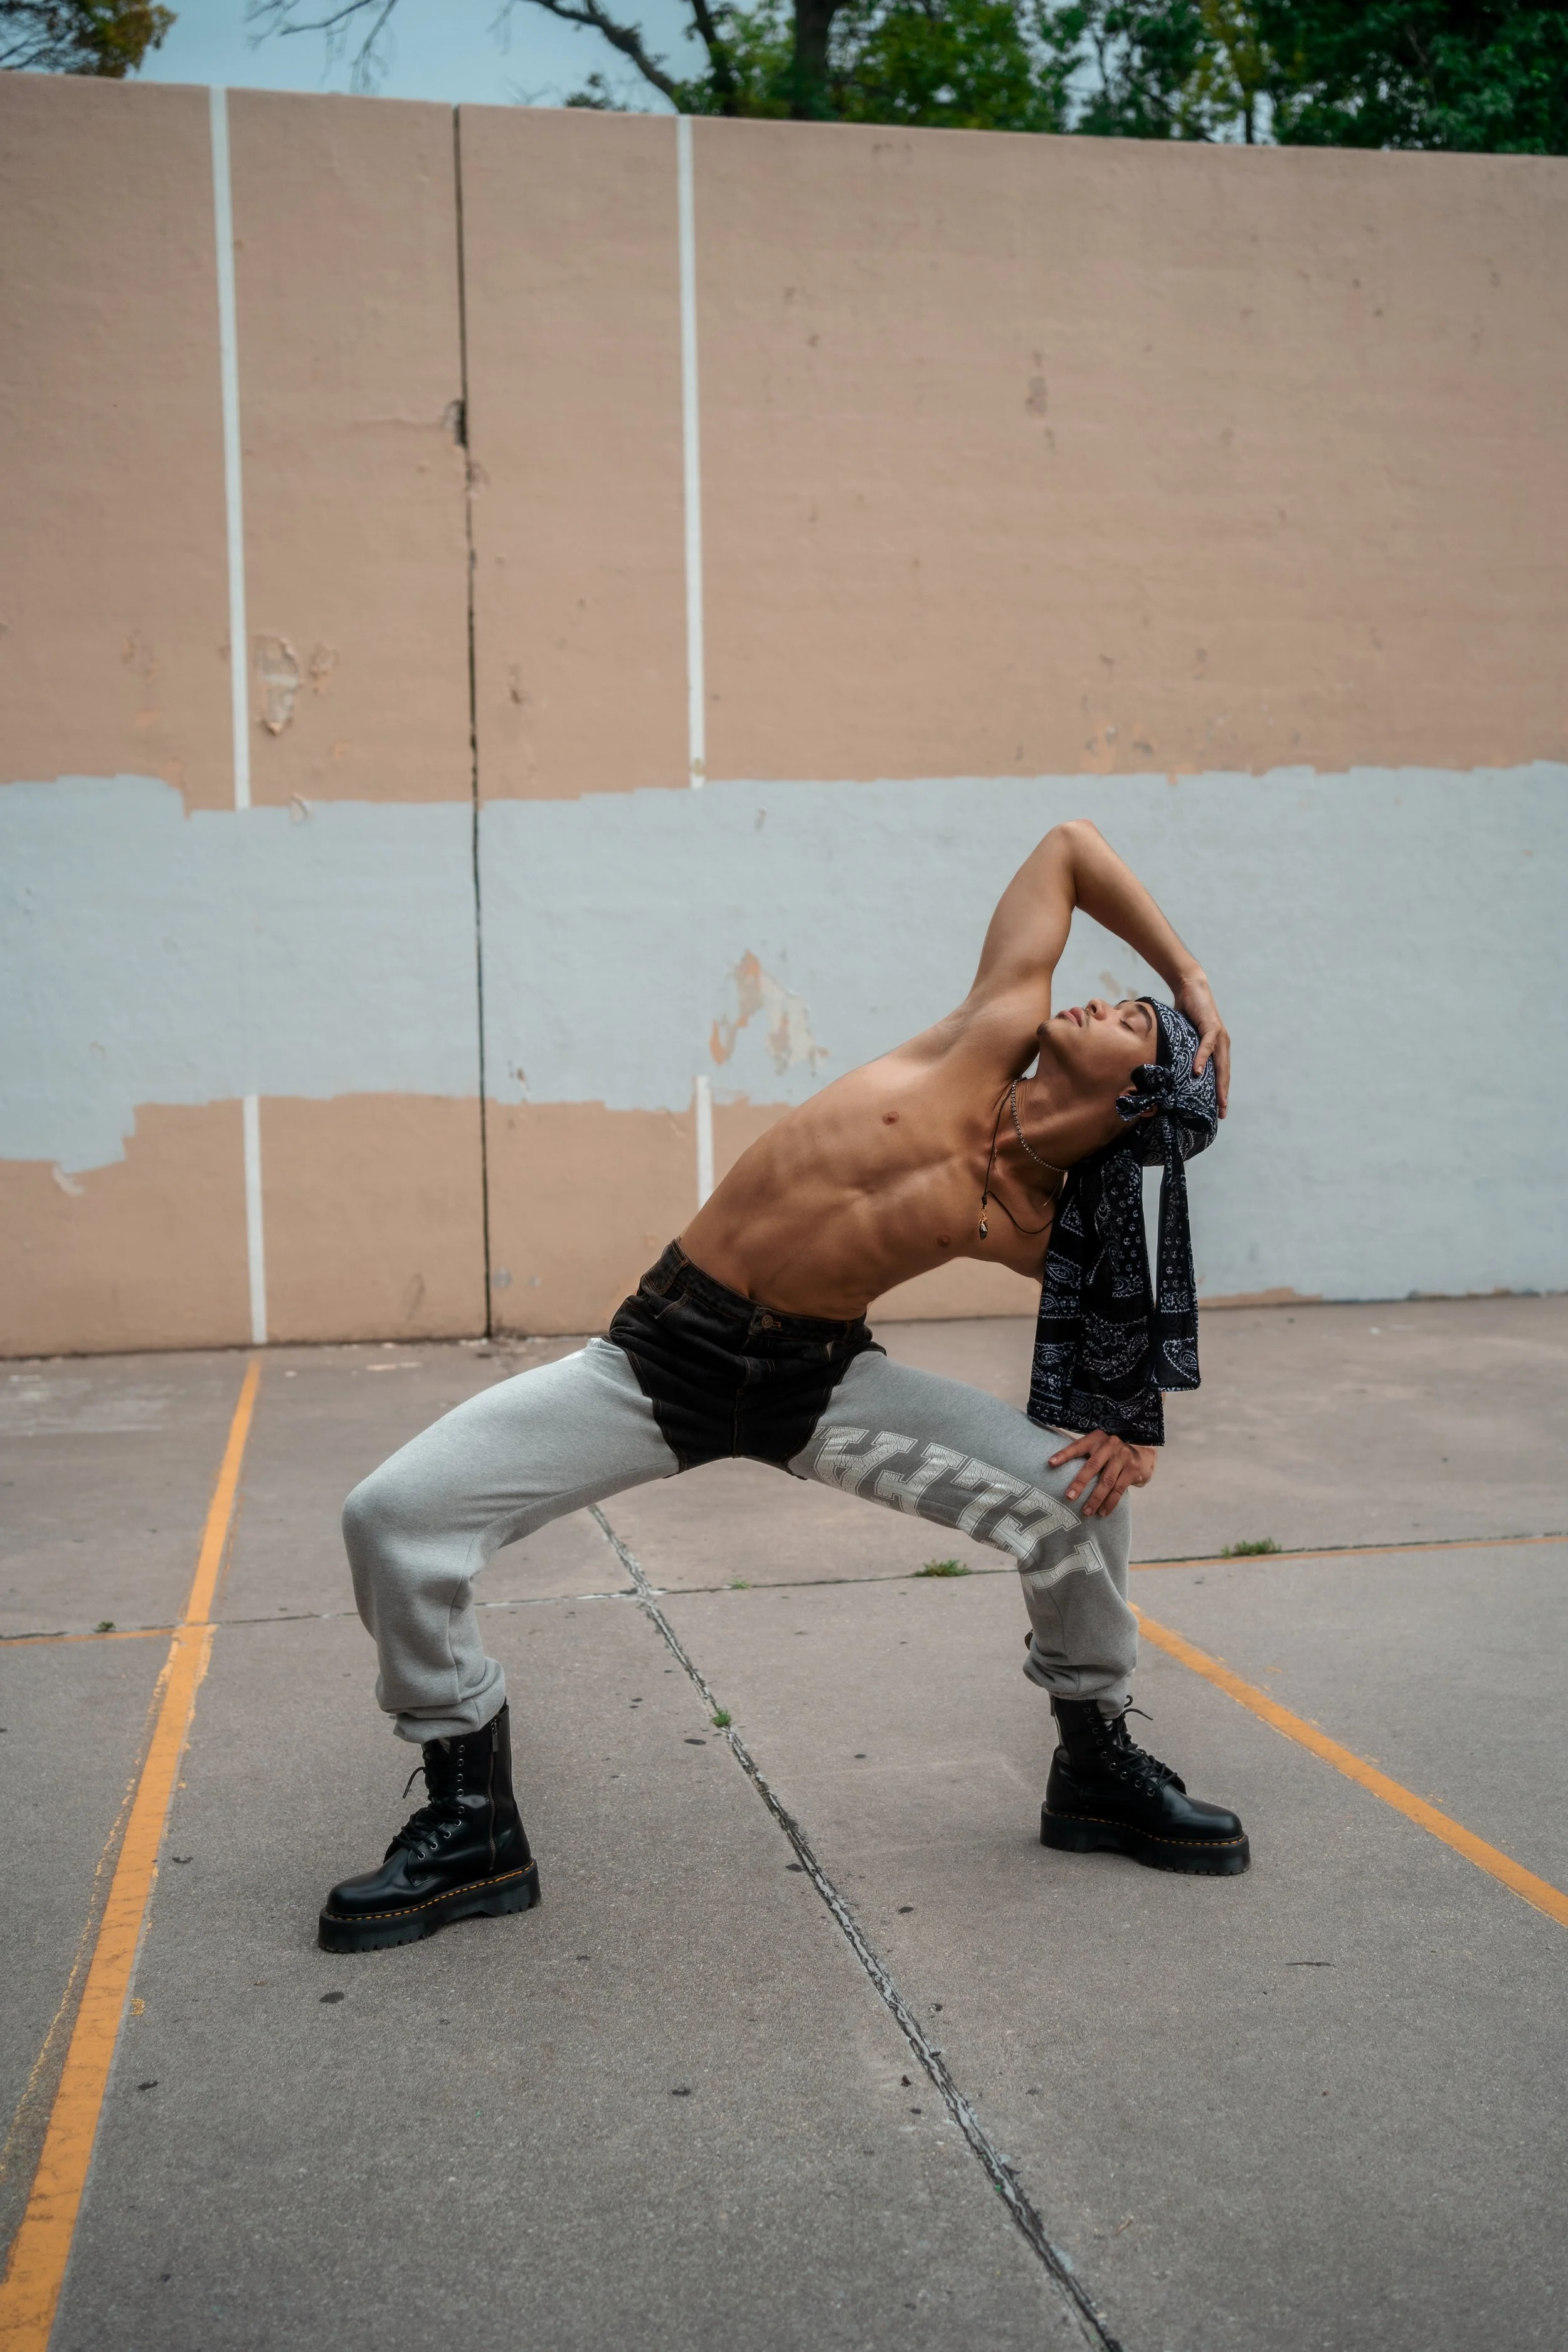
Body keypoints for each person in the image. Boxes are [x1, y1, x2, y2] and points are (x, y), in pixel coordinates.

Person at [319, 820, 1246, 1954]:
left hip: (818, 1387)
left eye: (1134, 1019)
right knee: (394, 1518)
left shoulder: (1052, 1219)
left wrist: (1132, 1436)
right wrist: (1190, 981)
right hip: (664, 1357)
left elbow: (1126, 1336)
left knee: (1078, 1500)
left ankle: (1096, 1763)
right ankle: (471, 1819)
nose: (1104, 1002)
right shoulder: (989, 1032)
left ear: (1143, 1099)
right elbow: (1067, 849)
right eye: (1120, 995)